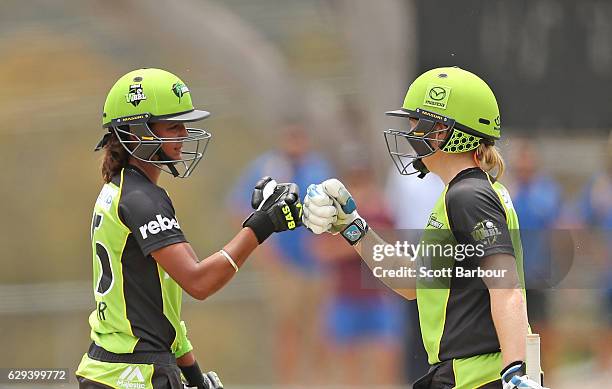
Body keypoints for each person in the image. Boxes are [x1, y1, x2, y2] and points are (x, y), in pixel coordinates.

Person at [303, 67, 544, 388]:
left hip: (479, 376)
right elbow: (412, 284)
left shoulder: (467, 195)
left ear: (444, 131)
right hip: (464, 374)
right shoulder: (460, 194)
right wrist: (353, 227)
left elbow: (506, 289)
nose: (409, 134)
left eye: (417, 124)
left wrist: (516, 372)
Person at [75, 68, 303, 389]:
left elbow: (163, 305)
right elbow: (200, 281)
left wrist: (193, 375)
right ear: (138, 132)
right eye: (173, 126)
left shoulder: (125, 190)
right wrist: (261, 225)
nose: (184, 134)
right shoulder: (141, 199)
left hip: (118, 370)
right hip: (134, 376)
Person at [228, 122, 332, 384]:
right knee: (287, 329)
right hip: (283, 266)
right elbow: (238, 208)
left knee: (321, 331)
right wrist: (262, 251)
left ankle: (319, 382)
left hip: (317, 264)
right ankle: (289, 383)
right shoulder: (266, 168)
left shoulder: (318, 167)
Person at [312, 157, 403, 386]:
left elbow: (395, 247)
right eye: (354, 181)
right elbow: (321, 251)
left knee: (386, 362)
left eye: (363, 180)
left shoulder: (382, 212)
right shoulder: (333, 215)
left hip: (378, 296)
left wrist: (356, 243)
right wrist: (364, 244)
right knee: (347, 366)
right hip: (345, 297)